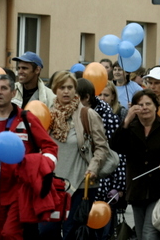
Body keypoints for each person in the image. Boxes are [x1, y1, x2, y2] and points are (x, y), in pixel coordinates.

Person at [0, 74, 58, 240]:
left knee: (11, 233)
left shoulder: (27, 119)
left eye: (4, 88)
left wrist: (43, 167)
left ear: (13, 93)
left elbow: (50, 146)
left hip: (19, 190)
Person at [41, 71, 109, 240]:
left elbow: (102, 147)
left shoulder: (87, 114)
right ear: (55, 90)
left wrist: (93, 168)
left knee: (71, 232)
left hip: (80, 183)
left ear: (75, 90)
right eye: (62, 87)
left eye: (70, 87)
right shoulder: (46, 114)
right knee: (46, 231)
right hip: (52, 185)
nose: (66, 91)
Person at [110, 89, 160, 240]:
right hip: (137, 190)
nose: (144, 107)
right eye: (140, 105)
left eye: (148, 104)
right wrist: (127, 120)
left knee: (149, 234)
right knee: (141, 234)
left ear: (156, 106)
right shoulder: (130, 128)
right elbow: (115, 146)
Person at [77, 78, 126, 234]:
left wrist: (118, 186)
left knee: (101, 228)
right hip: (78, 180)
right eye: (101, 94)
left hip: (103, 180)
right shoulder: (72, 114)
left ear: (86, 98)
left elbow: (117, 153)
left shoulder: (109, 118)